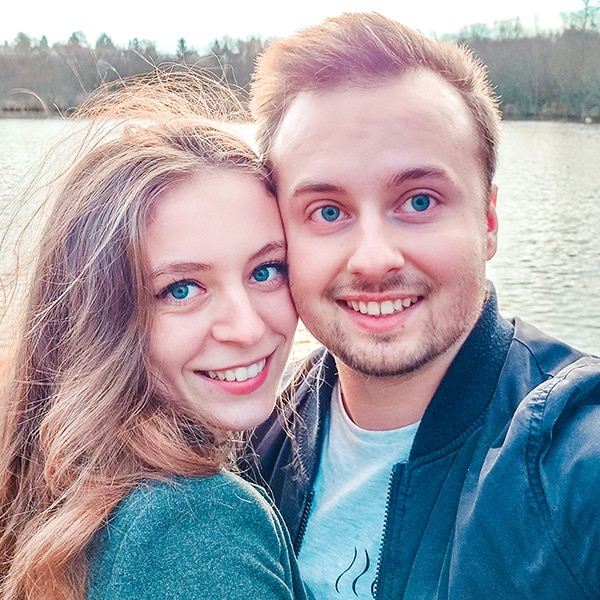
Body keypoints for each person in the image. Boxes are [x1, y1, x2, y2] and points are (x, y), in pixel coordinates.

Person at [245, 12, 600, 599]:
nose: (374, 259)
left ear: (488, 221)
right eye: (327, 212)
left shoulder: (569, 457)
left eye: (418, 200)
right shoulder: (258, 439)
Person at [0, 72, 310, 600]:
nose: (248, 326)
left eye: (266, 270)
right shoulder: (197, 526)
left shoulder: (64, 484)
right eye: (182, 288)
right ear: (99, 318)